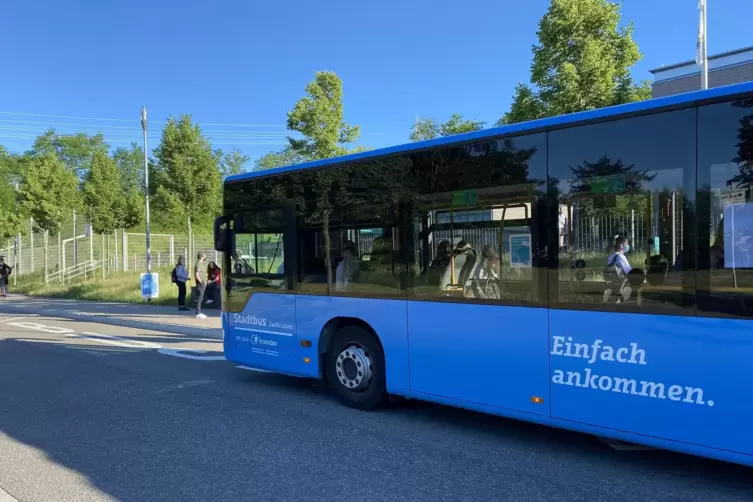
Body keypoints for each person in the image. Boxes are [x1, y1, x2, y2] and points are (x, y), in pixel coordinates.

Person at [194, 252, 208, 319]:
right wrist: (201, 282)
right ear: (202, 256)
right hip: (200, 283)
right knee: (200, 298)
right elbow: (197, 274)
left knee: (200, 298)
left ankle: (199, 312)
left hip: (202, 282)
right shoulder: (199, 263)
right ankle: (198, 313)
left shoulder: (201, 263)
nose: (205, 256)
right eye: (204, 255)